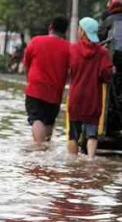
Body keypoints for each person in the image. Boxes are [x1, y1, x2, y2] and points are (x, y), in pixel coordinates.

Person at [67, 17, 113, 159]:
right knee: (92, 133)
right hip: (93, 98)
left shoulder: (72, 49)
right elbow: (107, 75)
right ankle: (91, 160)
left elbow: (68, 71)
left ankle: (73, 162)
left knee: (73, 135)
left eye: (79, 28)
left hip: (76, 98)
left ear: (83, 32)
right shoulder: (102, 53)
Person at [23, 16, 70, 147]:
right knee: (49, 121)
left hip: (35, 89)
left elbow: (27, 63)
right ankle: (45, 151)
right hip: (55, 92)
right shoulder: (69, 48)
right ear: (65, 31)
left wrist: (30, 79)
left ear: (50, 27)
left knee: (36, 119)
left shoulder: (36, 41)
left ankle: (38, 150)